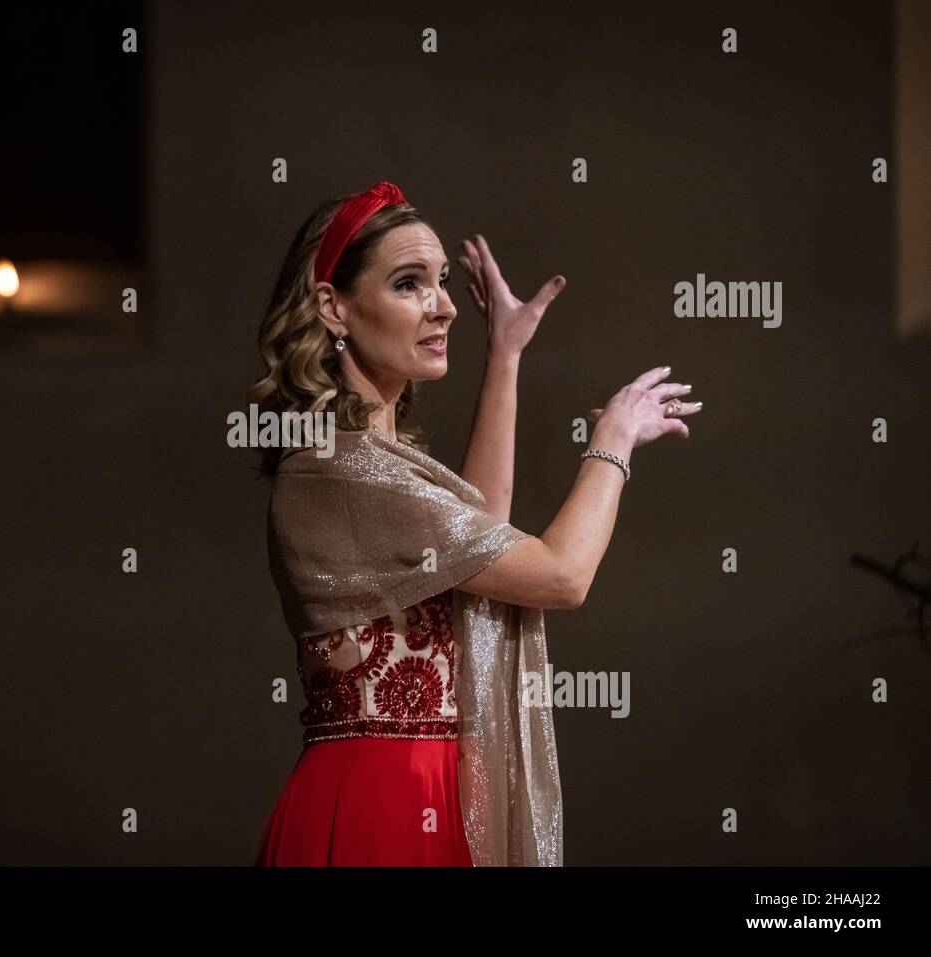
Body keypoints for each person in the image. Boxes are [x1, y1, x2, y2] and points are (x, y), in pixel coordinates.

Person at [248, 181, 700, 866]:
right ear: (333, 307)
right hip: (382, 797)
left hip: (429, 786)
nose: (445, 306)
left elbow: (477, 535)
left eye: (443, 282)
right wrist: (613, 440)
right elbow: (559, 575)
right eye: (410, 284)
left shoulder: (372, 463)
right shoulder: (341, 469)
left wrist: (505, 355)